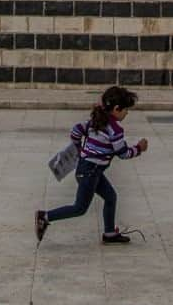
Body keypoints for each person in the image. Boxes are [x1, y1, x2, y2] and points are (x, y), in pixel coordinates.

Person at [35, 85, 148, 245]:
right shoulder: (115, 130)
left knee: (110, 197)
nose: (127, 113)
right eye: (126, 110)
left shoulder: (95, 121)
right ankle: (44, 217)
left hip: (90, 170)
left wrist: (78, 147)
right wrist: (139, 148)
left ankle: (109, 233)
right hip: (90, 174)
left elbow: (76, 131)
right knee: (79, 208)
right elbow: (122, 153)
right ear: (116, 109)